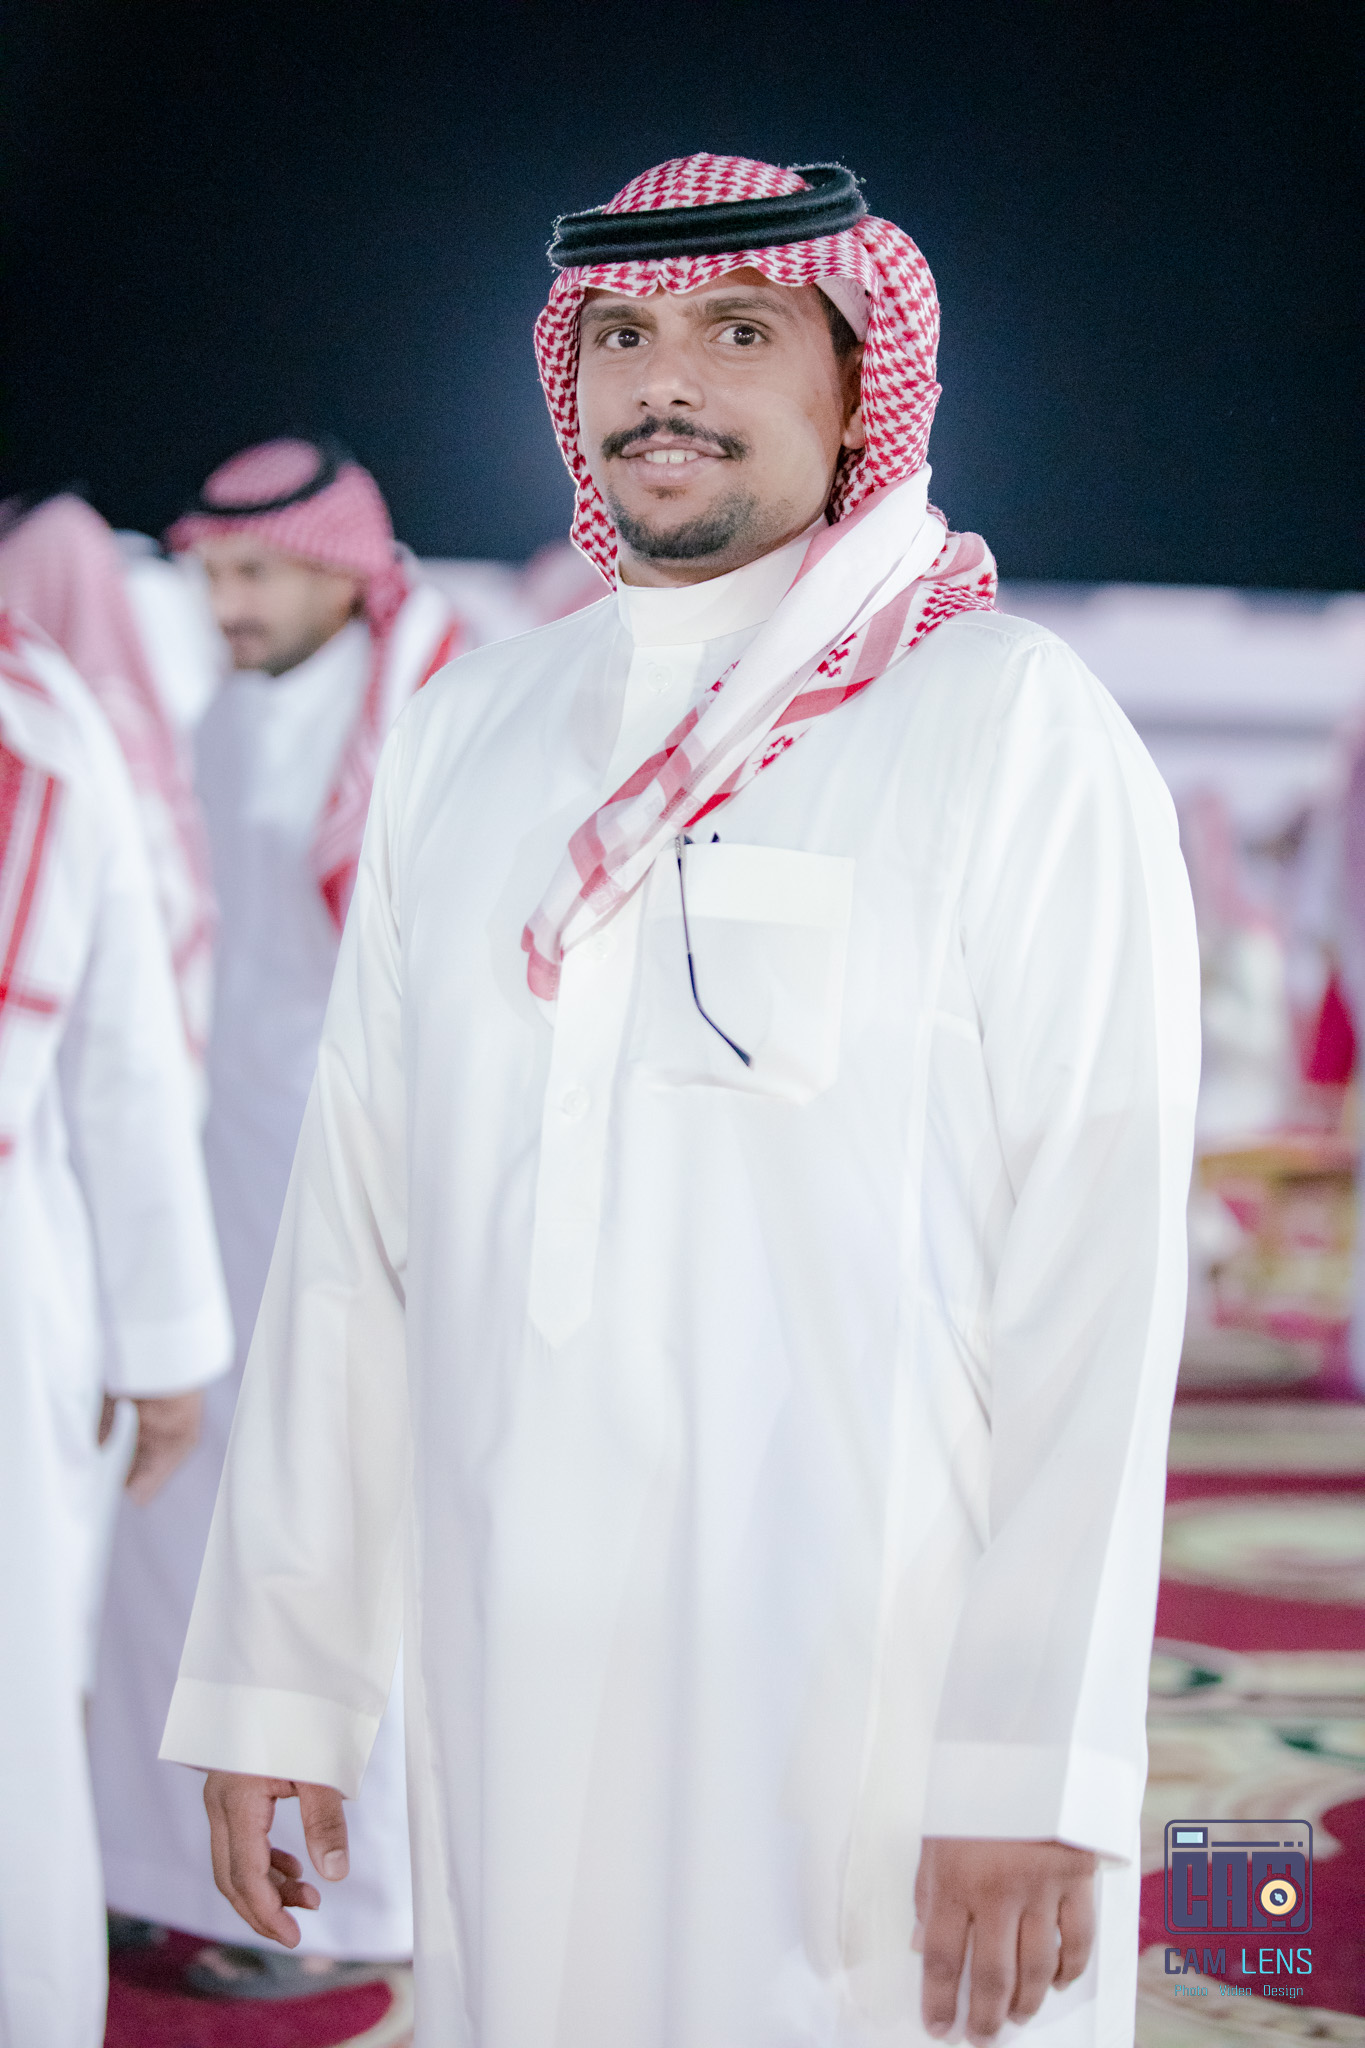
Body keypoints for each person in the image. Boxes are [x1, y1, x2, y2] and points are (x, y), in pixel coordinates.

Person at [162, 157, 1201, 2046]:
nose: (666, 383)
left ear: (858, 386)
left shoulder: (1005, 720)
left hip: (866, 1686)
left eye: (737, 331)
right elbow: (351, 1237)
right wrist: (279, 1682)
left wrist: (1029, 1755)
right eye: (622, 337)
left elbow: (1099, 1273)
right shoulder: (471, 734)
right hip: (512, 1645)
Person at [90, 439, 463, 1987]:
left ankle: (349, 1910)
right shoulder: (224, 714)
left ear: (338, 568)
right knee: (174, 1524)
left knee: (336, 1527)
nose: (228, 604)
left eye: (255, 573)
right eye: (211, 575)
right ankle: (153, 1862)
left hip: (364, 1190)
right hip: (214, 1180)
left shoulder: (430, 713)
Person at [0, 606, 231, 2047]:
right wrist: (162, 1343)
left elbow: (122, 1057)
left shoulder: (36, 713)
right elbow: (128, 1059)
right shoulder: (41, 710)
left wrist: (161, 1342)